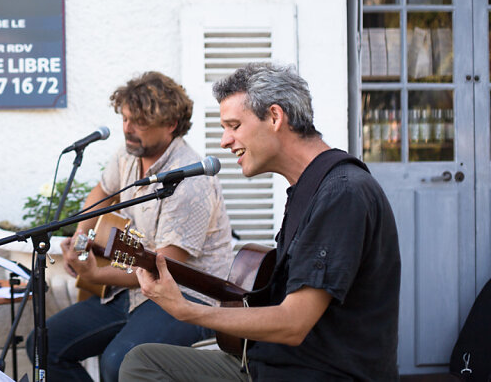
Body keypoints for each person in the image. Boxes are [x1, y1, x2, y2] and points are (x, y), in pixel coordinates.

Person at [120, 62, 400, 381]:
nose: (225, 141)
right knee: (142, 361)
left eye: (234, 125)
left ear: (275, 117)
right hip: (271, 363)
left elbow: (294, 323)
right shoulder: (308, 188)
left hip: (318, 374)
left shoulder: (342, 193)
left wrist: (187, 310)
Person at [26, 71, 234, 382]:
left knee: (120, 362)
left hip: (185, 296)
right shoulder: (129, 153)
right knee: (44, 345)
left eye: (139, 122)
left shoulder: (191, 182)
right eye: (124, 118)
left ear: (170, 125)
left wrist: (96, 273)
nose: (127, 129)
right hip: (134, 290)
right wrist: (80, 240)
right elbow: (101, 192)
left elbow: (163, 265)